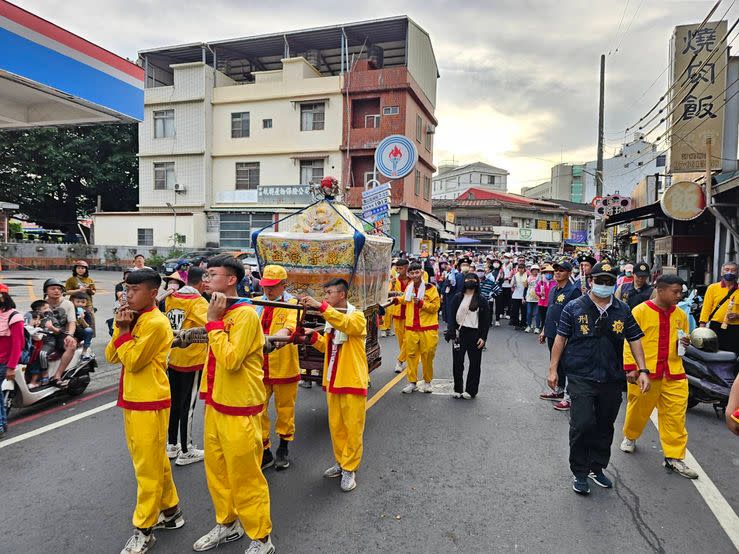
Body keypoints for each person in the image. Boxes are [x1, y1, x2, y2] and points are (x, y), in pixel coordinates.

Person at [194, 255, 274, 554]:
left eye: (212, 274)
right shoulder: (217, 310)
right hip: (215, 402)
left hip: (240, 406)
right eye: (206, 274)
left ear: (231, 280)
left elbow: (230, 360)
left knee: (246, 476)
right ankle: (227, 522)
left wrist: (213, 323)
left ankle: (261, 537)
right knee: (217, 472)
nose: (206, 279)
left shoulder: (245, 315)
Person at [547, 261, 649, 495]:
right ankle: (580, 471)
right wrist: (553, 369)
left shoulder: (622, 310)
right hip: (580, 374)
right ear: (590, 281)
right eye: (600, 280)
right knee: (582, 423)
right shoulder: (574, 307)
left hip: (612, 377)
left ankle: (597, 467)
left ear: (615, 283)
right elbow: (561, 338)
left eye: (609, 281)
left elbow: (635, 340)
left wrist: (642, 370)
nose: (604, 285)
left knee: (605, 424)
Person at [105, 269, 183, 554]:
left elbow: (134, 361)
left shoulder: (156, 323)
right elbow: (112, 356)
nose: (127, 295)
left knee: (146, 470)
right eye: (126, 289)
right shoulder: (135, 319)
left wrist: (125, 332)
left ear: (152, 293)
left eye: (134, 290)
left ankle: (144, 528)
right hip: (134, 399)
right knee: (155, 462)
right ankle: (171, 511)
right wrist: (120, 325)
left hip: (149, 401)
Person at [619, 275, 698, 479]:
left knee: (676, 415)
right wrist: (631, 368)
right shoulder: (640, 312)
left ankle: (674, 456)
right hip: (646, 372)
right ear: (661, 290)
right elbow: (629, 341)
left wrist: (685, 344)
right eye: (675, 292)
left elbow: (683, 338)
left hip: (674, 372)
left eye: (681, 292)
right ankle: (630, 436)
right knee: (638, 408)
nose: (679, 295)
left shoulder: (680, 314)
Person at [299, 278, 368, 493]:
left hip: (352, 382)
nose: (326, 296)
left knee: (353, 429)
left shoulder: (356, 316)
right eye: (325, 293)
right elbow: (328, 348)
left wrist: (321, 307)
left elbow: (346, 324)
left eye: (329, 292)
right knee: (336, 428)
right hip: (334, 381)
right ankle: (341, 462)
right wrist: (312, 338)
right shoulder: (332, 320)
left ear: (342, 295)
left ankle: (350, 468)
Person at [255, 265, 300, 471]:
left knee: (285, 410)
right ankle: (264, 449)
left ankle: (283, 447)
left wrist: (275, 339)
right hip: (259, 368)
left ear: (284, 285)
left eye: (273, 287)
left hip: (284, 366)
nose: (268, 291)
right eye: (265, 286)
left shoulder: (292, 304)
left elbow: (290, 327)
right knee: (258, 410)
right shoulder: (257, 303)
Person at [163, 277, 209, 466]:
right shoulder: (198, 302)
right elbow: (210, 325)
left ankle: (172, 444)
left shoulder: (171, 298)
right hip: (191, 359)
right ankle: (186, 449)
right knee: (187, 407)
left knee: (174, 404)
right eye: (206, 278)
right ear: (199, 283)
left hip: (173, 355)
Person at [538, 261, 581, 409]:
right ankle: (559, 390)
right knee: (556, 363)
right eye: (556, 270)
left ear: (569, 273)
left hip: (565, 335)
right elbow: (551, 311)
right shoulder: (553, 289)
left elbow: (577, 314)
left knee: (566, 364)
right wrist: (544, 329)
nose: (557, 273)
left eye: (562, 270)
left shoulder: (573, 291)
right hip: (552, 332)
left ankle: (569, 397)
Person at [445, 272, 490, 399]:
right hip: (460, 333)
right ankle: (457, 388)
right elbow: (451, 316)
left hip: (475, 334)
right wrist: (451, 331)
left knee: (475, 364)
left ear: (477, 282)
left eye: (473, 279)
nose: (470, 281)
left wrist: (483, 337)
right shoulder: (457, 297)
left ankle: (471, 391)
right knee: (457, 362)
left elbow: (486, 321)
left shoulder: (481, 300)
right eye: (467, 279)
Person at [398, 261, 441, 394]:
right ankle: (412, 382)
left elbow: (436, 307)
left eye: (417, 272)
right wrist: (394, 300)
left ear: (421, 273)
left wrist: (422, 303)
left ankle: (427, 382)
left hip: (428, 328)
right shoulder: (409, 287)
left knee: (427, 355)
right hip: (411, 327)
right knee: (411, 355)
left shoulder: (431, 288)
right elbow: (404, 299)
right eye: (412, 273)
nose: (415, 275)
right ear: (409, 274)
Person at [42, 278, 77, 385]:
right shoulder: (41, 304)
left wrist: (70, 335)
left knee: (71, 345)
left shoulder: (68, 304)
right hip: (45, 335)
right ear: (46, 291)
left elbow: (72, 322)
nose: (56, 291)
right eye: (53, 289)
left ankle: (57, 375)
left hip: (62, 334)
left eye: (59, 289)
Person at [699, 261, 739, 355]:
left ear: (737, 273)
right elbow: (706, 308)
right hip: (715, 326)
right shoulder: (712, 288)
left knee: (733, 354)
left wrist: (737, 315)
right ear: (722, 272)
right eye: (727, 270)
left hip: (735, 328)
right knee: (714, 353)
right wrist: (702, 325)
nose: (729, 272)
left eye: (733, 270)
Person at [0, 284, 24, 437]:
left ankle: (1, 424)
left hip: (3, 362)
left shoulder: (14, 316)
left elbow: (18, 344)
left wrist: (11, 367)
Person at [390, 258, 411, 374]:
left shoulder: (413, 281)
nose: (398, 270)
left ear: (406, 268)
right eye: (397, 268)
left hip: (409, 313)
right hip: (397, 313)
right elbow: (389, 294)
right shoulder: (394, 280)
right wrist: (392, 286)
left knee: (408, 339)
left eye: (401, 268)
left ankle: (399, 360)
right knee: (401, 341)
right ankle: (405, 359)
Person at [64, 260, 97, 330]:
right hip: (75, 303)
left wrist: (90, 290)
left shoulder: (89, 280)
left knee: (90, 320)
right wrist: (79, 290)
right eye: (78, 268)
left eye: (83, 268)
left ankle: (89, 336)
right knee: (74, 319)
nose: (80, 270)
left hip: (87, 304)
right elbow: (66, 292)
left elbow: (94, 292)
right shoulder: (71, 280)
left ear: (86, 270)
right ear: (75, 269)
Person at [69, 292, 94, 359]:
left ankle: (84, 351)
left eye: (83, 302)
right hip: (71, 332)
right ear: (72, 301)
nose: (80, 304)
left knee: (89, 330)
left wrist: (82, 319)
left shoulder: (86, 313)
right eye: (78, 302)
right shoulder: (70, 311)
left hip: (81, 333)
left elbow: (87, 327)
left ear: (86, 303)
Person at [535, 265, 556, 336]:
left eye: (550, 273)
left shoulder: (555, 282)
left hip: (551, 303)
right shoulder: (541, 282)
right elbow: (536, 290)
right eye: (547, 273)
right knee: (543, 317)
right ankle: (543, 330)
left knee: (550, 317)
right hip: (542, 303)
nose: (549, 274)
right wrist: (540, 293)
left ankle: (549, 330)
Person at [509, 263, 528, 329]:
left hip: (524, 296)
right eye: (519, 268)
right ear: (518, 269)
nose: (521, 269)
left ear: (524, 269)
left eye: (522, 268)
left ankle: (523, 324)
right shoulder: (515, 276)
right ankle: (516, 324)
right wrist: (513, 285)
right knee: (515, 311)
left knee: (524, 311)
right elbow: (511, 285)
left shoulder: (527, 276)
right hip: (516, 295)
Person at [525, 264, 541, 333]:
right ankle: (528, 326)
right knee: (529, 312)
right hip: (529, 298)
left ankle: (537, 327)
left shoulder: (540, 278)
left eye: (536, 270)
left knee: (537, 313)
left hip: (538, 298)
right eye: (533, 270)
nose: (535, 271)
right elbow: (525, 288)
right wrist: (524, 296)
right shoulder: (528, 278)